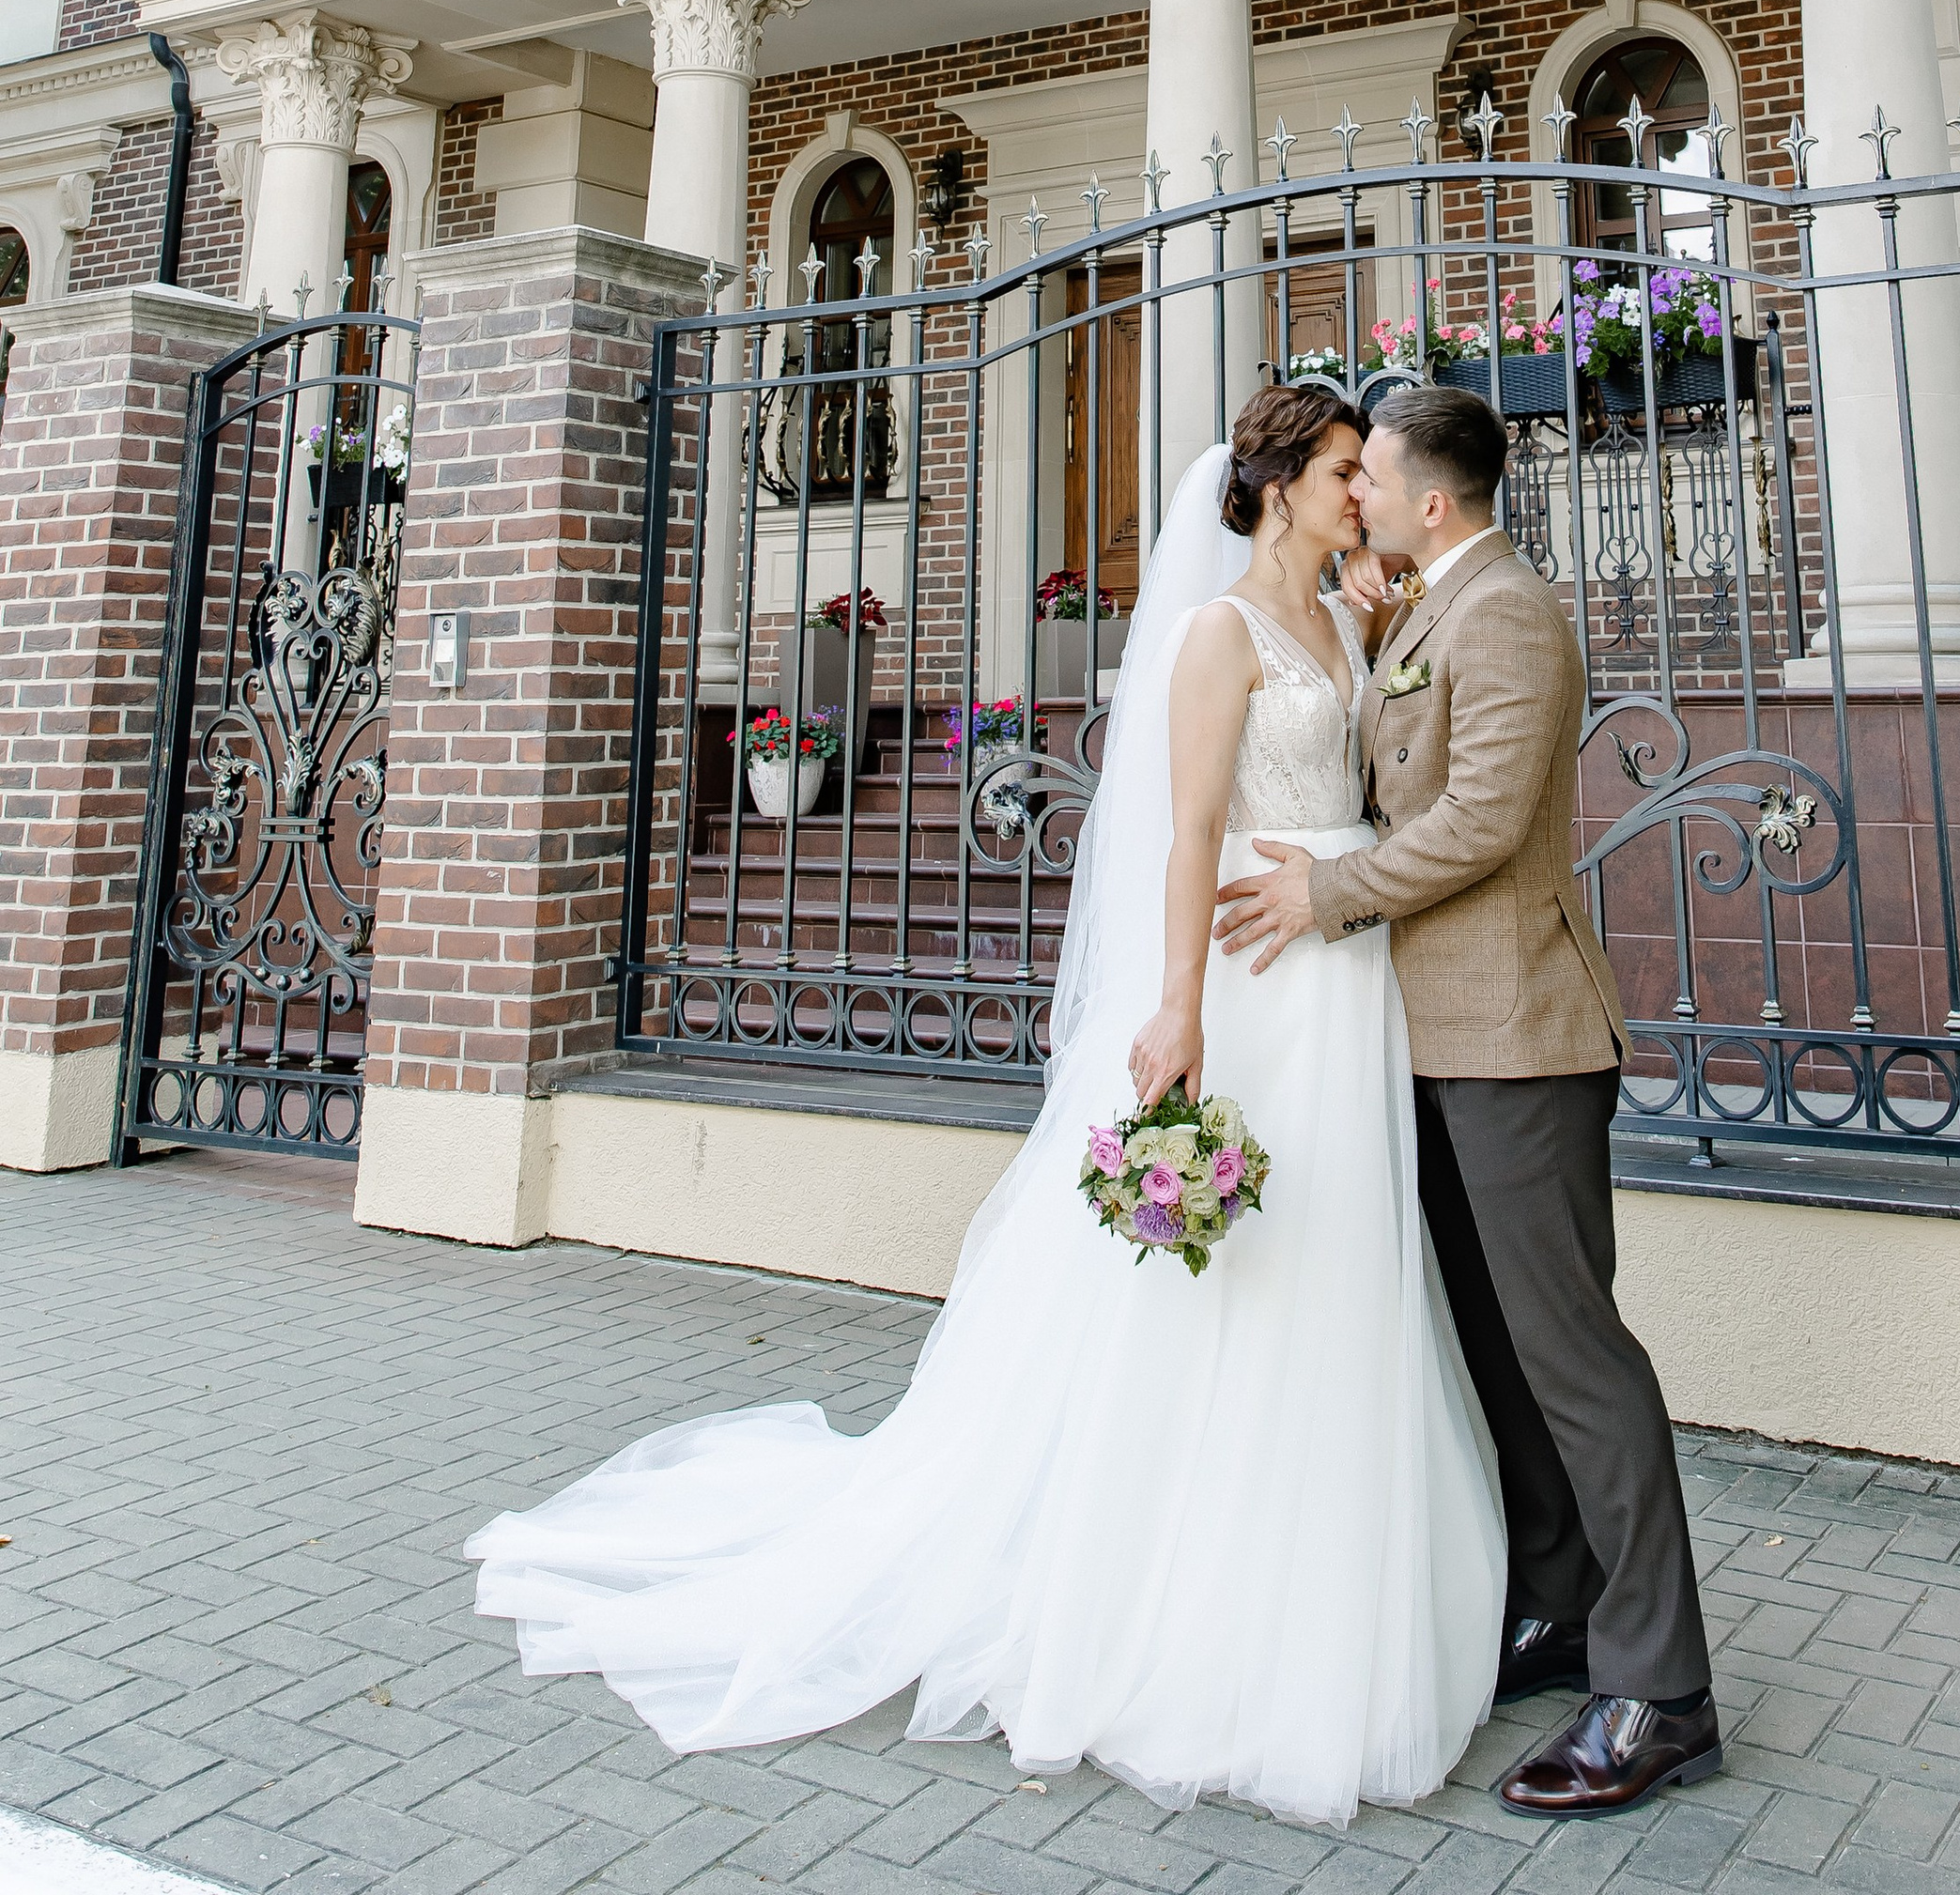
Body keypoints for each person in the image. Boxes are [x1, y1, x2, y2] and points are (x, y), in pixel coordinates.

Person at [466, 381, 1505, 1829]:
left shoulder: (1349, 615)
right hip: (1256, 980)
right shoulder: (1220, 635)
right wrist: (1180, 1003)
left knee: (1334, 1256)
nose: (1363, 491)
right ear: (1275, 485)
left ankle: (1314, 1569)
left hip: (1344, 972)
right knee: (1225, 1276)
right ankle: (1158, 1596)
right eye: (1342, 470)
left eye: (1368, 475)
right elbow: (1191, 828)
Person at [1214, 380, 1718, 1819]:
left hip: (1520, 1035)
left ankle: (1662, 1689)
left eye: (1367, 473)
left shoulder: (1509, 614)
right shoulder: (1434, 601)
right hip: (1431, 1039)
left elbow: (1484, 821)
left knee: (1575, 1357)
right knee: (1496, 1349)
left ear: (1432, 500)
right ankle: (1558, 1611)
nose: (1351, 489)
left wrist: (1324, 893)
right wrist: (1368, 619)